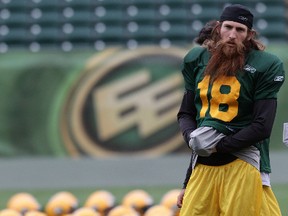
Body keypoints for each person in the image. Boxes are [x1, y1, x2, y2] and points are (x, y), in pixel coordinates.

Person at [176, 4, 285, 216]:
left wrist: (218, 146)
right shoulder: (196, 60)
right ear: (218, 28)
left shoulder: (265, 65)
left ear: (249, 35)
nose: (232, 35)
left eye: (240, 30)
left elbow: (262, 126)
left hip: (241, 161)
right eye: (228, 27)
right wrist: (194, 144)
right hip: (203, 166)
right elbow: (187, 114)